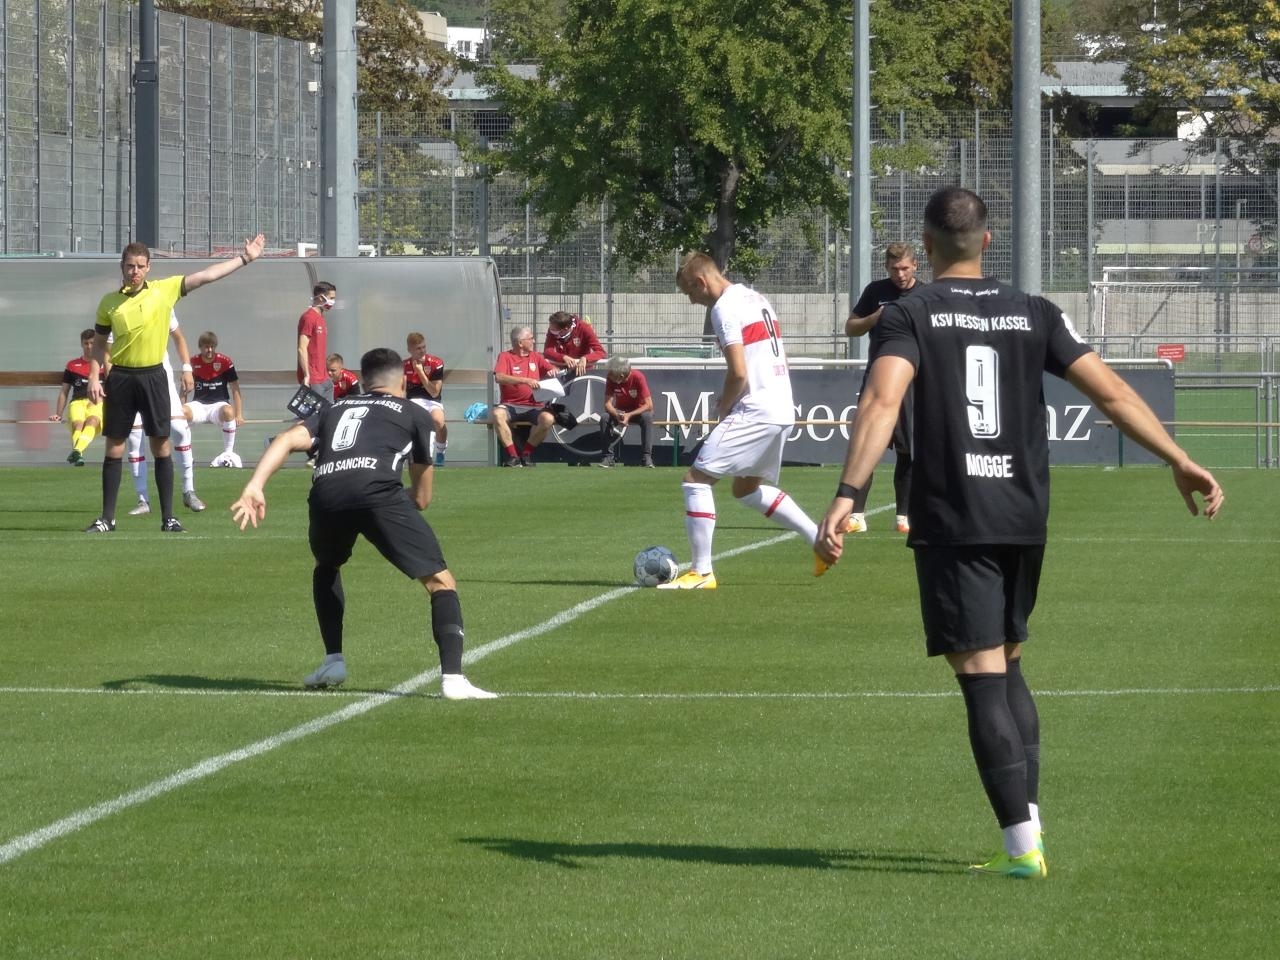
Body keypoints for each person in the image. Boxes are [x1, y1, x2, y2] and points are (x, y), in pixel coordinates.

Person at [816, 186, 1224, 879]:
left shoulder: (909, 312)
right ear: (988, 237)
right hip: (1023, 513)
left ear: (929, 241)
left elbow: (882, 400)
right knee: (1007, 661)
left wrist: (848, 493)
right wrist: (1178, 459)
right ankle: (1028, 832)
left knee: (980, 676)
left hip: (956, 514)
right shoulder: (1034, 311)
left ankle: (1019, 848)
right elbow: (1115, 393)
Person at [230, 347, 496, 700]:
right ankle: (453, 679)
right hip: (378, 493)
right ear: (403, 380)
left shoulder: (333, 408)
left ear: (365, 380)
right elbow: (421, 499)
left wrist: (254, 485)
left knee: (327, 565)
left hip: (326, 492)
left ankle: (334, 659)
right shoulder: (415, 413)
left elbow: (286, 439)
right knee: (440, 582)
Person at [660, 252, 831, 589]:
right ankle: (818, 540)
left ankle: (701, 571)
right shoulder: (755, 297)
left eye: (689, 294)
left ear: (701, 282)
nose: (693, 302)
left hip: (758, 408)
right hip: (782, 406)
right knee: (745, 489)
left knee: (696, 480)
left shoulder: (724, 308)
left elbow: (738, 372)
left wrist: (724, 408)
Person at [84, 233, 265, 534]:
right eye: (130, 266)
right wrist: (93, 375)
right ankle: (107, 518)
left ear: (149, 267)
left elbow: (206, 276)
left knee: (161, 444)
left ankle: (168, 518)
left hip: (153, 377)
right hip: (121, 379)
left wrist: (245, 258)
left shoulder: (163, 291)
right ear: (122, 267)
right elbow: (100, 342)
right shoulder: (109, 303)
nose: (135, 272)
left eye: (141, 266)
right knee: (115, 446)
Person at [844, 242, 921, 534]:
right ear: (886, 268)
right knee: (866, 443)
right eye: (893, 268)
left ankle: (904, 517)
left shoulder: (926, 294)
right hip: (877, 378)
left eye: (904, 268)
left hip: (912, 382)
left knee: (908, 449)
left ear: (915, 266)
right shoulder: (876, 292)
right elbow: (851, 327)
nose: (899, 274)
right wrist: (874, 318)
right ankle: (856, 516)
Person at [125, 311, 205, 516]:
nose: (134, 275)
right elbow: (106, 347)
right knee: (135, 438)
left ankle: (189, 491)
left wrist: (187, 369)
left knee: (179, 428)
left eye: (139, 274)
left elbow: (178, 336)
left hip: (160, 377)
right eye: (129, 274)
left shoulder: (161, 300)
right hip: (129, 377)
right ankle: (143, 499)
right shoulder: (118, 305)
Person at [492, 325, 558, 467]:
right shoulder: (505, 356)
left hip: (534, 407)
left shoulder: (536, 357)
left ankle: (526, 454)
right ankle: (513, 456)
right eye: (530, 338)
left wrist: (553, 370)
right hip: (510, 405)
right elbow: (499, 377)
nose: (533, 341)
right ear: (520, 343)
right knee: (497, 414)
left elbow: (552, 368)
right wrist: (525, 380)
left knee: (548, 419)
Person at [186, 330, 245, 468]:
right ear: (200, 347)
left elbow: (235, 388)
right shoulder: (192, 362)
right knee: (182, 413)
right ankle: (187, 457)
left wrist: (239, 414)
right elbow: (184, 388)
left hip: (218, 406)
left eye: (212, 346)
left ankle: (228, 454)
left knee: (228, 411)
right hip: (199, 405)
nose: (210, 350)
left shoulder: (225, 362)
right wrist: (178, 410)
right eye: (206, 347)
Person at [50, 329, 106, 466]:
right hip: (77, 402)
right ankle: (78, 453)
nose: (89, 346)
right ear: (81, 344)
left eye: (92, 343)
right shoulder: (72, 365)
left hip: (97, 401)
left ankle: (77, 451)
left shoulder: (105, 364)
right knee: (78, 425)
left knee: (92, 420)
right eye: (86, 343)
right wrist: (58, 414)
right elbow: (64, 391)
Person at [598, 356, 655, 468]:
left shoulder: (638, 377)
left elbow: (649, 405)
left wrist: (629, 415)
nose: (608, 375)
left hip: (638, 412)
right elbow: (607, 404)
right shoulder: (611, 378)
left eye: (611, 374)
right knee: (604, 418)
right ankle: (608, 457)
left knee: (647, 417)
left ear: (621, 376)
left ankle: (646, 457)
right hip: (621, 412)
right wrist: (617, 415)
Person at [404, 331, 448, 466]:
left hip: (431, 400)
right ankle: (413, 455)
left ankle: (440, 451)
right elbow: (401, 390)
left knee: (438, 420)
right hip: (412, 401)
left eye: (423, 347)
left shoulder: (436, 363)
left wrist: (420, 372)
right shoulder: (403, 365)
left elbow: (434, 392)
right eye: (418, 348)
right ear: (410, 350)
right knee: (410, 423)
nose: (422, 351)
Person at [298, 281, 337, 404]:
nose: (333, 302)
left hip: (324, 376)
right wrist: (306, 375)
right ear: (321, 297)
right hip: (313, 377)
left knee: (329, 413)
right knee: (313, 416)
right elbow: (302, 348)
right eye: (331, 298)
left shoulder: (321, 318)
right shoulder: (309, 317)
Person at [543, 311, 605, 377]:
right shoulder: (553, 329)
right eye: (550, 329)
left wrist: (585, 358)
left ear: (566, 328)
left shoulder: (584, 328)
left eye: (554, 331)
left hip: (582, 370)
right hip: (562, 370)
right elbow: (548, 351)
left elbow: (600, 352)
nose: (551, 332)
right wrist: (563, 357)